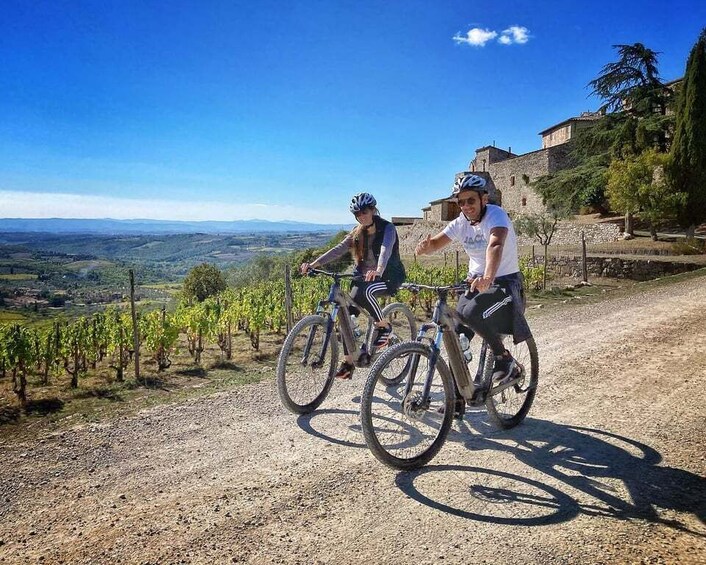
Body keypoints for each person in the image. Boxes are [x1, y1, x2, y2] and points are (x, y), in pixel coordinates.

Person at [415, 173, 532, 413]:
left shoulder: (496, 215)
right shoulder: (461, 222)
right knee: (454, 333)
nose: (466, 206)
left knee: (474, 314)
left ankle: (505, 360)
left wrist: (489, 275)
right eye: (461, 202)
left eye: (471, 200)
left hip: (504, 282)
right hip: (476, 283)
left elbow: (495, 245)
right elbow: (438, 242)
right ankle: (457, 398)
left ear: (483, 199)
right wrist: (427, 248)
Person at [300, 192, 406, 380]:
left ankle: (384, 327)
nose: (361, 216)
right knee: (346, 316)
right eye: (357, 214)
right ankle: (349, 363)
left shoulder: (387, 228)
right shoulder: (357, 232)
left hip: (387, 277)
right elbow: (338, 249)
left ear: (373, 210)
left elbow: (385, 249)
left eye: (364, 211)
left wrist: (379, 269)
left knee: (366, 292)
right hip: (363, 277)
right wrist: (314, 264)